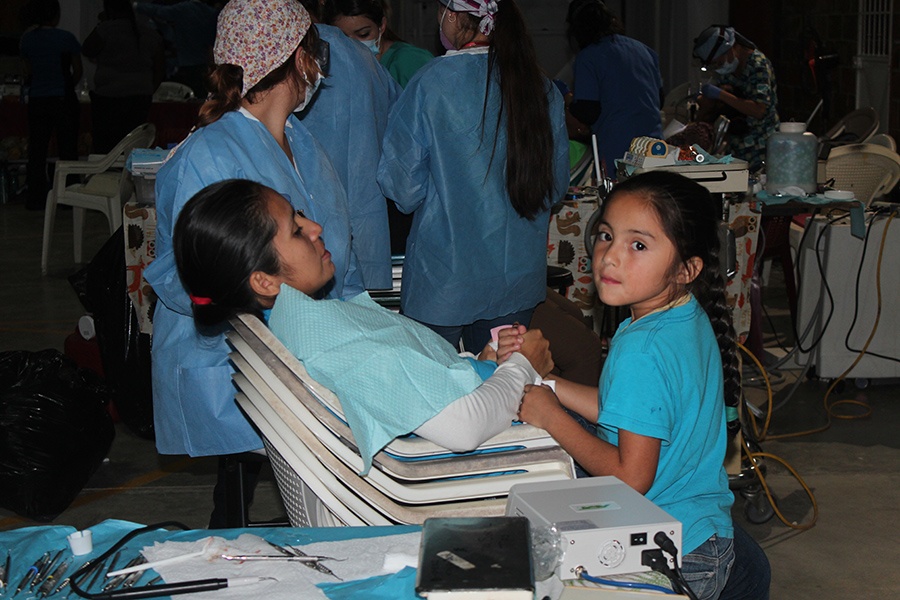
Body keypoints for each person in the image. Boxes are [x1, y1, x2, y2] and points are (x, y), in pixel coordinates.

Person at [144, 0, 364, 511]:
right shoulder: (208, 156)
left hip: (299, 351)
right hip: (235, 360)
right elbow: (192, 278)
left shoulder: (301, 142)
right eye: (314, 52)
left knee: (305, 495)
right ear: (296, 58)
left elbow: (332, 242)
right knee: (239, 499)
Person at [173, 178, 554, 472]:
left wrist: (484, 362)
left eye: (300, 214)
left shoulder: (303, 324)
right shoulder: (335, 348)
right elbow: (464, 428)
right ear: (265, 282)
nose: (316, 227)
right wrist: (521, 368)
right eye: (295, 229)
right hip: (490, 460)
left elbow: (419, 384)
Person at [519, 171, 769, 600]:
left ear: (687, 268)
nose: (610, 257)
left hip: (671, 551)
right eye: (605, 236)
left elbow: (631, 476)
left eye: (638, 245)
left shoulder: (641, 349)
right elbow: (629, 411)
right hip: (702, 531)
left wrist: (552, 418)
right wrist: (547, 383)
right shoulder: (685, 316)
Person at [378, 0, 568, 352]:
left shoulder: (431, 83)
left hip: (444, 276)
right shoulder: (540, 88)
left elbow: (402, 186)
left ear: (451, 14)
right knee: (501, 388)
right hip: (516, 275)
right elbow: (554, 187)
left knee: (437, 389)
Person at [296, 0, 401, 290]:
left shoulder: (302, 54)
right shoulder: (365, 62)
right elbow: (403, 144)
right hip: (363, 220)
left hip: (306, 232)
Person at [564, 0, 663, 178]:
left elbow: (588, 111)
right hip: (652, 145)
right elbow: (659, 98)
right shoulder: (645, 51)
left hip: (617, 147)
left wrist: (568, 102)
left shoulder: (588, 57)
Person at [19, 0, 82, 210]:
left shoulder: (27, 40)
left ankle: (35, 198)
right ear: (55, 15)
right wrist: (65, 85)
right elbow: (77, 70)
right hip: (62, 98)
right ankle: (70, 196)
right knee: (67, 149)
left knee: (37, 150)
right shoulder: (66, 38)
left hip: (38, 98)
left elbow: (29, 72)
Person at [82, 0, 165, 154]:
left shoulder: (106, 30)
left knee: (105, 144)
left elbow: (87, 49)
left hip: (108, 96)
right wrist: (148, 89)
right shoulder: (148, 33)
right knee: (134, 141)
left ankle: (105, 173)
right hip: (139, 96)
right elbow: (160, 68)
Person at [693, 25, 779, 171]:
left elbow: (759, 110)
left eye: (719, 63)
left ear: (730, 49)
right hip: (737, 146)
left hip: (761, 148)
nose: (720, 68)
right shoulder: (731, 69)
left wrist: (720, 94)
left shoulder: (758, 65)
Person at [325, 0, 433, 88]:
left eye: (363, 34)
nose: (353, 45)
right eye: (343, 38)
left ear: (382, 26)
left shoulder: (410, 61)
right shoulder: (336, 69)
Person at [135, 0, 220, 98]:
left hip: (186, 64)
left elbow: (160, 12)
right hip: (203, 64)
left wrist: (136, 5)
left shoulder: (185, 9)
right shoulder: (210, 12)